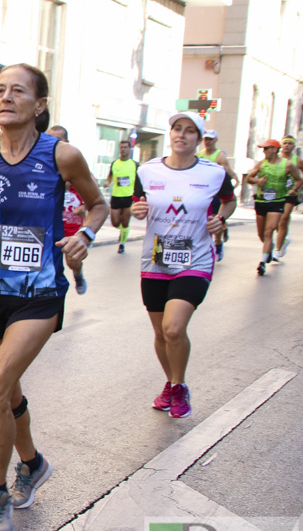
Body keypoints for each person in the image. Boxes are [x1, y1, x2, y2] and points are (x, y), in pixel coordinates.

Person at [0, 64, 108, 531]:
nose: (5, 97)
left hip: (38, 295)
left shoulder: (63, 156)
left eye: (18, 91)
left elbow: (98, 205)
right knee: (7, 392)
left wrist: (87, 236)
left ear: (39, 105)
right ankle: (33, 463)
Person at [131, 112, 236, 419]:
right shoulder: (148, 171)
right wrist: (137, 209)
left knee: (173, 328)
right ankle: (171, 382)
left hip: (196, 259)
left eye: (190, 131)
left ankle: (179, 386)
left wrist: (221, 218)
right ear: (171, 133)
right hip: (155, 260)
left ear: (198, 140)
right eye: (178, 129)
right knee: (161, 334)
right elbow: (137, 205)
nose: (182, 135)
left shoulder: (214, 173)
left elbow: (228, 200)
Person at [245, 139, 303, 275]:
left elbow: (299, 179)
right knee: (261, 234)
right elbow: (249, 178)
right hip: (261, 201)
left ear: (275, 149)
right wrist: (258, 181)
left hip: (278, 201)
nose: (264, 151)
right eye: (263, 149)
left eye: (266, 148)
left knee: (269, 231)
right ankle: (268, 250)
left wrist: (294, 189)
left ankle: (263, 261)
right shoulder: (261, 164)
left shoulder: (288, 165)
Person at [48, 125, 90, 294]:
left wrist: (84, 207)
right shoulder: (43, 169)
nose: (55, 144)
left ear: (67, 142)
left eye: (59, 140)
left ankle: (78, 274)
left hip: (73, 228)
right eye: (51, 140)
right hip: (50, 229)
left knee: (72, 260)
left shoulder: (75, 167)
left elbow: (96, 200)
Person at [197, 130, 239, 261]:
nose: (208, 142)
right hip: (203, 193)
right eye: (206, 139)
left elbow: (228, 172)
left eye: (210, 139)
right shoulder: (199, 155)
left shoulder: (219, 156)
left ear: (215, 140)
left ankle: (218, 243)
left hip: (216, 194)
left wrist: (235, 181)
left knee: (215, 220)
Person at [276, 135, 303, 257]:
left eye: (290, 143)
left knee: (284, 218)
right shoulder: (277, 159)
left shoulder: (298, 160)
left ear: (294, 146)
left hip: (291, 193)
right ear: (281, 145)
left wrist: (302, 181)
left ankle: (278, 249)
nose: (287, 145)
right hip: (277, 192)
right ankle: (283, 239)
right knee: (275, 222)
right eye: (285, 143)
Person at [105, 140, 138, 253]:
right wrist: (107, 182)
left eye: (125, 147)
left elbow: (139, 181)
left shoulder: (134, 164)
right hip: (116, 196)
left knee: (125, 222)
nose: (123, 149)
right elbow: (110, 176)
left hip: (129, 196)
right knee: (115, 222)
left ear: (129, 149)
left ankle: (122, 244)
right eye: (121, 147)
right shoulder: (115, 163)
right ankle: (124, 231)